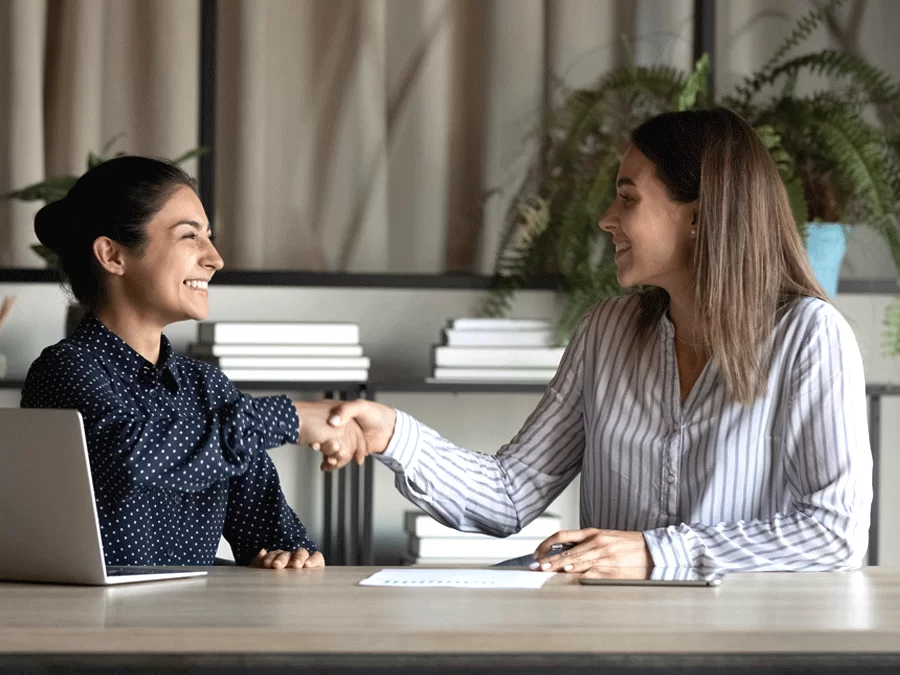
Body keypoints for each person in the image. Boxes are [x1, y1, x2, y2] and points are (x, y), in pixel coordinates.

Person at [314, 108, 873, 572]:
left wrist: (657, 554)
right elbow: (510, 494)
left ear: (700, 218)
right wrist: (394, 436)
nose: (606, 219)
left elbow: (833, 532)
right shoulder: (606, 332)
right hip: (606, 640)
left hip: (743, 648)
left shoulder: (809, 337)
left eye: (628, 198)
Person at [20, 156, 363, 570]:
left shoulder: (208, 387)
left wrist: (291, 556)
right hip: (94, 630)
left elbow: (274, 534)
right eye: (189, 237)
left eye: (209, 237)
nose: (215, 258)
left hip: (196, 625)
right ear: (112, 255)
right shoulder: (64, 371)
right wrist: (289, 417)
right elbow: (133, 457)